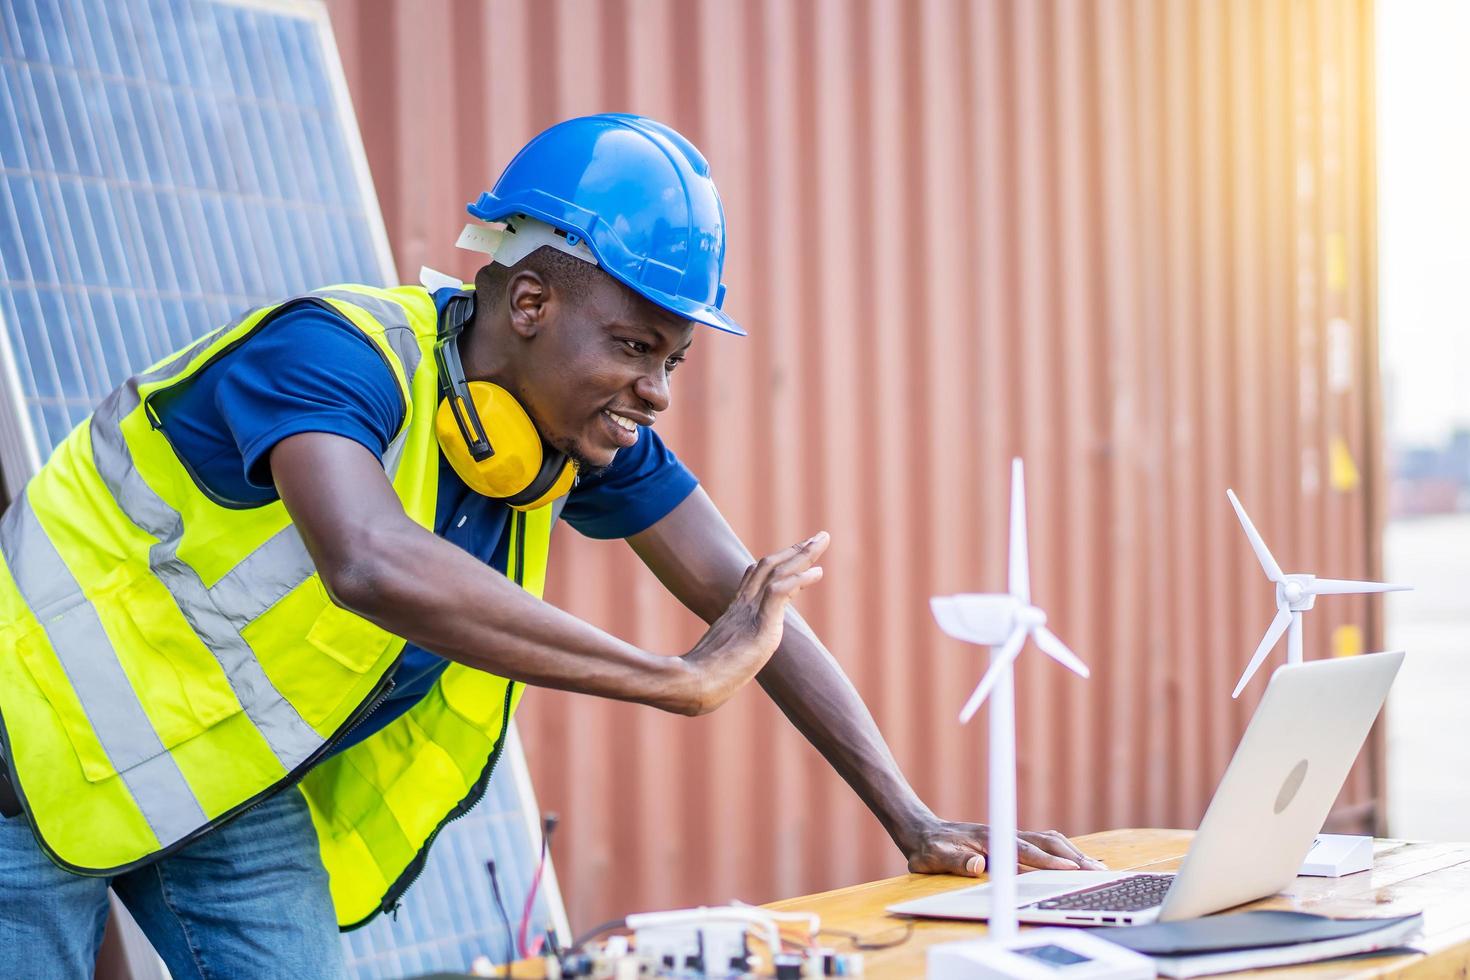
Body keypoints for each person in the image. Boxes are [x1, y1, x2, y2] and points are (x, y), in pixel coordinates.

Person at [0, 114, 1101, 977]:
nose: (659, 391)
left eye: (674, 358)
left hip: (217, 778)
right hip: (27, 743)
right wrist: (671, 680)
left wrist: (909, 815)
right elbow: (368, 557)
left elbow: (741, 595)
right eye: (634, 345)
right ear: (528, 299)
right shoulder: (332, 357)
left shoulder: (570, 436)